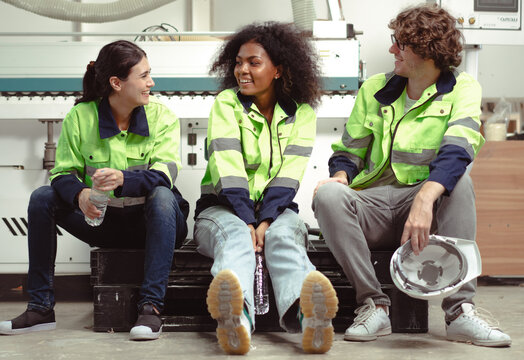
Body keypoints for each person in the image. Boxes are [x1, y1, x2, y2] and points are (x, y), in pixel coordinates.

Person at [313, 4, 512, 347]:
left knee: (460, 183)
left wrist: (424, 198)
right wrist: (342, 176)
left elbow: (458, 150)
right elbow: (348, 152)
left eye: (399, 44)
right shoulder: (375, 89)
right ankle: (373, 306)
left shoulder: (463, 89)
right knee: (328, 194)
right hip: (374, 205)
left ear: (427, 50)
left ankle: (460, 312)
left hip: (424, 212)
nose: (392, 50)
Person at [0, 40, 189, 341]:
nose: (151, 82)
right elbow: (61, 173)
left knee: (163, 196)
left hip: (155, 225)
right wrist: (80, 195)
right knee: (42, 198)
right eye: (144, 75)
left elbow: (165, 175)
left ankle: (151, 308)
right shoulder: (81, 117)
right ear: (116, 83)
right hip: (104, 224)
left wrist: (123, 179)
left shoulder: (162, 117)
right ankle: (40, 308)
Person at [193, 22, 338, 355]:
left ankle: (311, 318)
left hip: (275, 212)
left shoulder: (300, 114)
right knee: (236, 238)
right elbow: (227, 168)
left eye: (253, 62)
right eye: (239, 62)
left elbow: (290, 173)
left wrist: (267, 221)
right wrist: (247, 220)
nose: (242, 70)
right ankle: (236, 320)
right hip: (223, 209)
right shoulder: (226, 104)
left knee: (285, 237)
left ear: (278, 70)